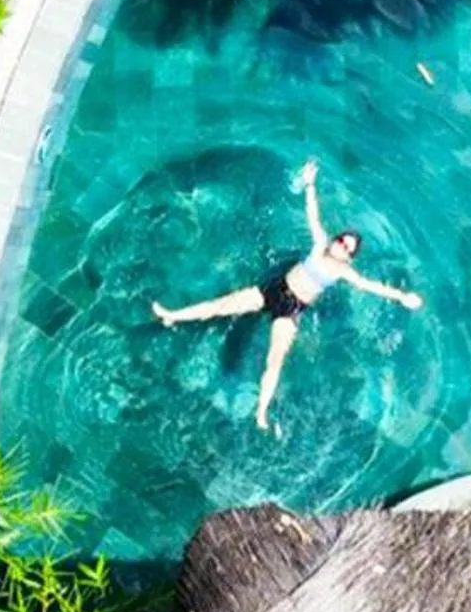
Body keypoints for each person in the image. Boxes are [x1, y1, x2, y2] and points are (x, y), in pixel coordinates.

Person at [152, 160, 424, 430]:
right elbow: (313, 217)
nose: (340, 246)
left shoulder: (344, 272)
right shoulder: (319, 247)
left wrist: (402, 297)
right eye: (341, 240)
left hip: (292, 309)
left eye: (347, 248)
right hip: (274, 289)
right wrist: (309, 184)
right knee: (219, 306)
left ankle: (261, 413)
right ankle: (171, 315)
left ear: (350, 258)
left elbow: (369, 286)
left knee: (275, 360)